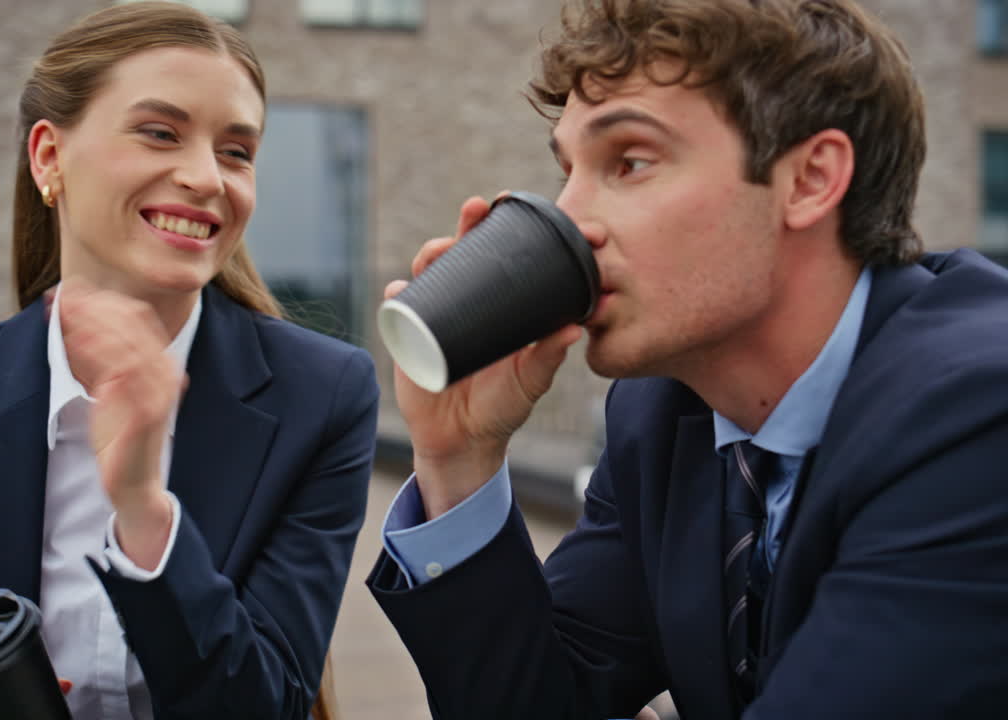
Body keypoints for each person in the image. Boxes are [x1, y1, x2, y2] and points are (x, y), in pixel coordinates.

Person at [367, 0, 1008, 718]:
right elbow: (540, 700)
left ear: (810, 179)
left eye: (630, 162)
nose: (571, 222)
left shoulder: (980, 411)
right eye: (568, 172)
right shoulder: (661, 409)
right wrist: (459, 458)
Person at [0, 3, 378, 719]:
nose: (206, 177)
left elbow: (266, 702)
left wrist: (143, 511)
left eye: (236, 151)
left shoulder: (324, 396)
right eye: (160, 133)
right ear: (48, 156)